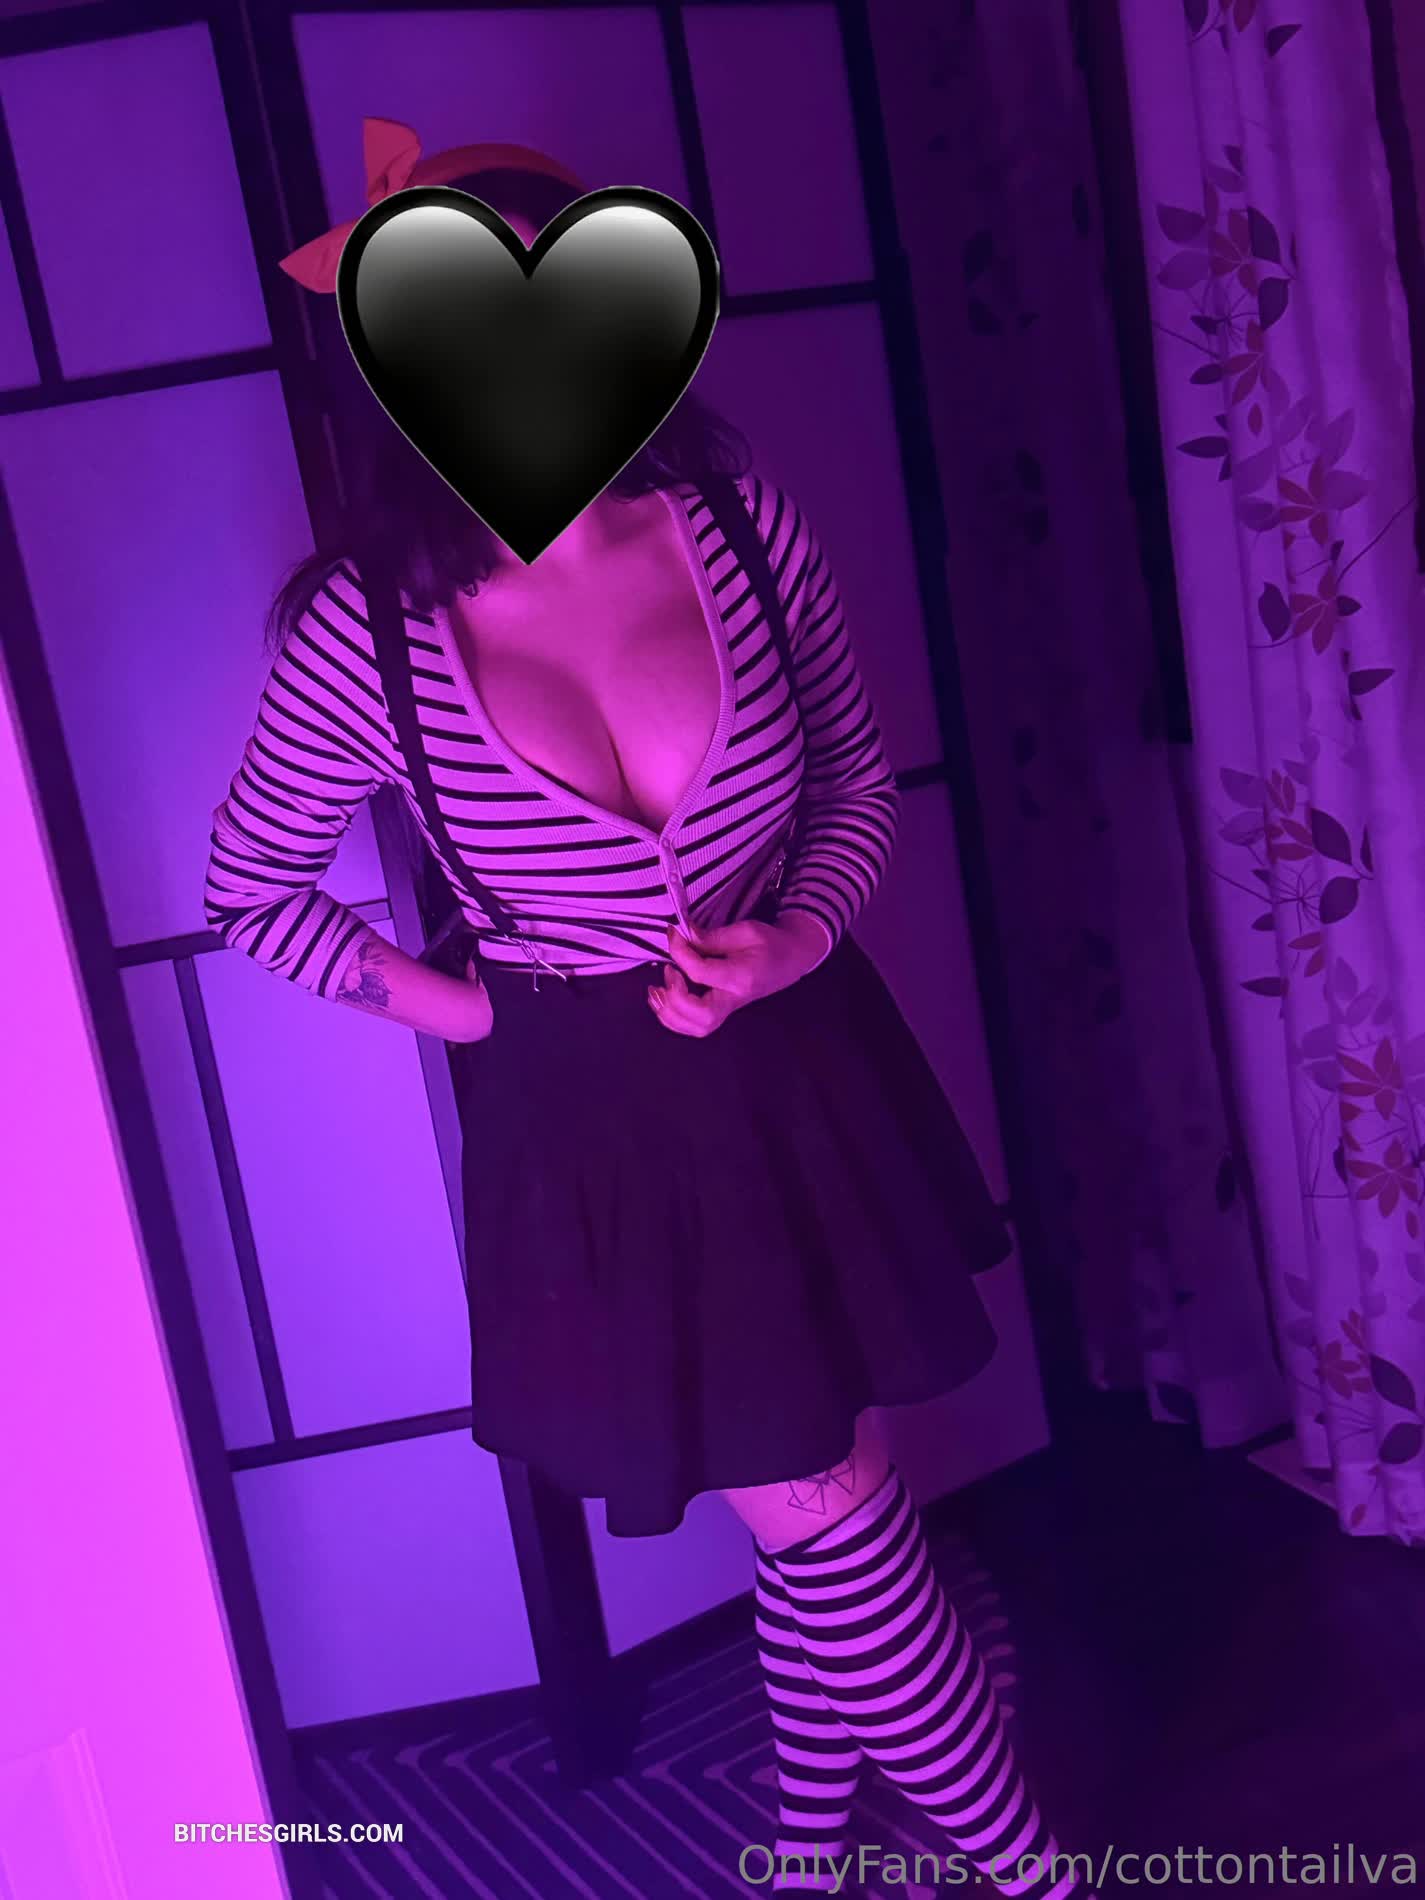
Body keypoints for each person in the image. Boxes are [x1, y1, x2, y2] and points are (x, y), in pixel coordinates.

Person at [203, 118, 1096, 1900]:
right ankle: (1034, 1876)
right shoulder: (367, 635)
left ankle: (806, 1839)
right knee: (832, 1516)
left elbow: (854, 781)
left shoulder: (736, 527)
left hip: (803, 1072)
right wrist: (473, 1015)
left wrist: (798, 936)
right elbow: (253, 892)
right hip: (601, 1139)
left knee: (823, 1492)